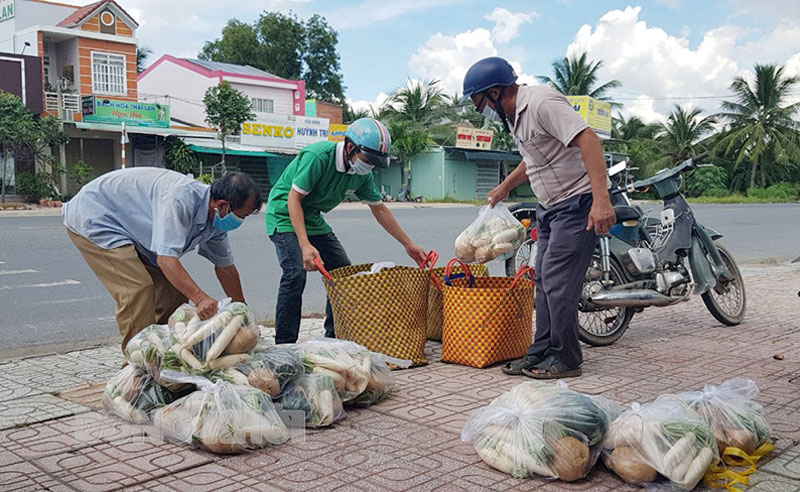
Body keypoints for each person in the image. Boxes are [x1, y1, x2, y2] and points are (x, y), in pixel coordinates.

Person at [461, 57, 616, 379]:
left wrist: (601, 201)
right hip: (550, 207)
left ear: (494, 92)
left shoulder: (541, 103)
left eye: (479, 104)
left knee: (559, 284)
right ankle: (542, 350)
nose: (481, 112)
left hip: (577, 203)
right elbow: (532, 160)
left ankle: (567, 359)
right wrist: (504, 187)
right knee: (542, 280)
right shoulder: (515, 119)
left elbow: (589, 140)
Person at [265, 117, 427, 344]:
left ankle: (333, 336)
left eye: (374, 163)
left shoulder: (362, 174)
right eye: (367, 159)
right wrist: (305, 245)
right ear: (351, 147)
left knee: (341, 271)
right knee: (295, 274)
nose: (369, 166)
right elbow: (294, 199)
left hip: (311, 217)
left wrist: (408, 244)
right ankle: (284, 345)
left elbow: (379, 209)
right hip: (284, 214)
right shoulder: (318, 156)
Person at [63, 168, 261, 352]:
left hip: (136, 229)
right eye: (241, 215)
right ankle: (138, 365)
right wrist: (200, 298)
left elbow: (225, 267)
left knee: (174, 296)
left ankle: (169, 354)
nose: (240, 222)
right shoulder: (180, 199)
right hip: (97, 216)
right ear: (222, 205)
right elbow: (166, 259)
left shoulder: (217, 221)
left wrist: (242, 313)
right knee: (137, 289)